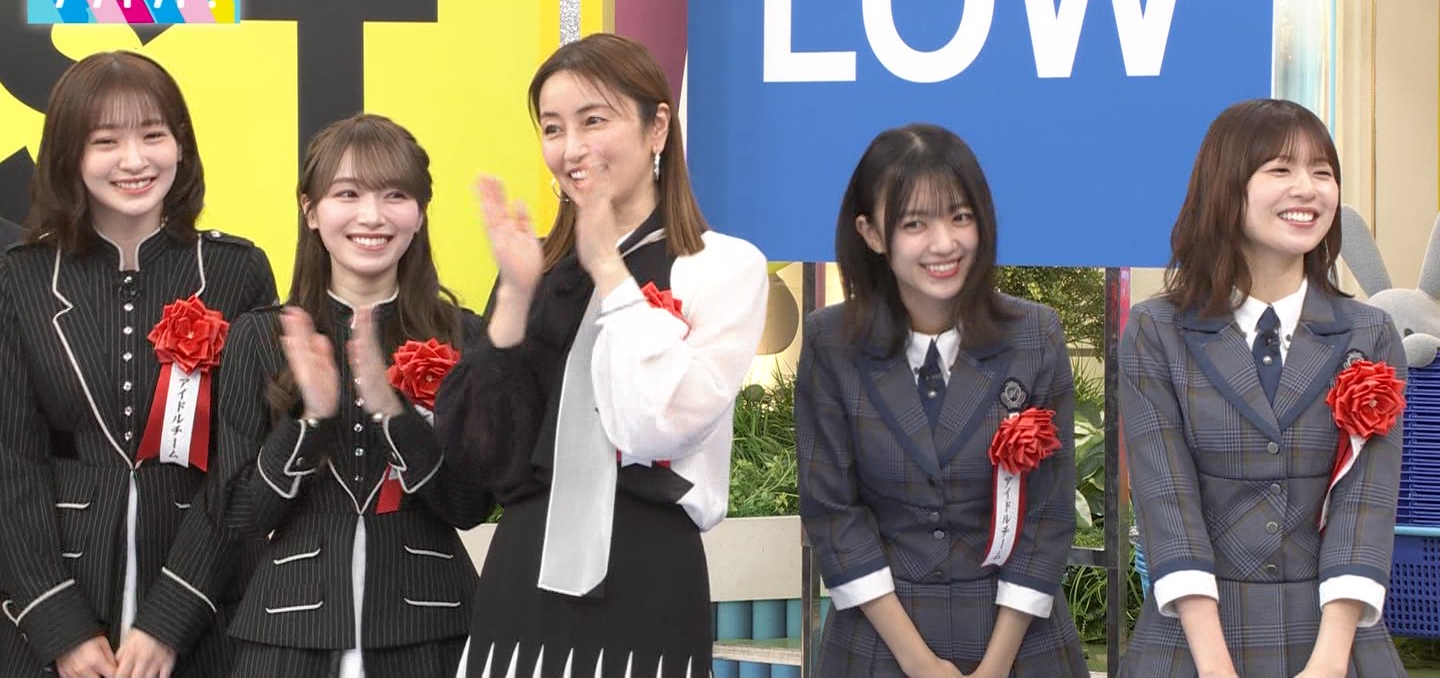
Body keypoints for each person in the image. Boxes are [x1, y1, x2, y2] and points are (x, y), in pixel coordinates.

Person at [434, 33, 767, 678]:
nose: (572, 148)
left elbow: (658, 426)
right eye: (553, 128)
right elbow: (480, 458)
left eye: (594, 120)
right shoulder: (534, 269)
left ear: (657, 127)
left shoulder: (723, 267)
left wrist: (611, 274)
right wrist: (514, 299)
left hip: (648, 570)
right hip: (523, 569)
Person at [0, 50, 278, 678]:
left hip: (208, 608)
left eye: (154, 135)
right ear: (70, 155)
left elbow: (244, 459)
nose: (134, 160)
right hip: (57, 606)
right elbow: (11, 460)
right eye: (106, 141)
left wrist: (172, 618)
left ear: (181, 146)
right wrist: (59, 626)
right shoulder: (22, 277)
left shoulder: (236, 270)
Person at [1119, 98, 1408, 678]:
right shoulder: (1157, 330)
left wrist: (1328, 663)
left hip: (1333, 640)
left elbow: (1364, 506)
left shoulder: (1370, 333)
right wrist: (1215, 667)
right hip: (1191, 643)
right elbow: (1167, 503)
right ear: (1226, 188)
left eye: (1322, 172)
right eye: (1280, 169)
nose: (1308, 189)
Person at [795, 124, 1088, 678]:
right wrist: (921, 663)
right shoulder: (831, 343)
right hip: (879, 645)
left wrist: (995, 666)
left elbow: (1047, 517)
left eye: (960, 217)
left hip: (1021, 644)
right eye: (915, 224)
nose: (944, 244)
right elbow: (834, 513)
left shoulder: (1034, 335)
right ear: (871, 233)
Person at [200, 114, 487, 678]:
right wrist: (308, 419)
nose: (372, 216)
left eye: (395, 195)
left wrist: (394, 415)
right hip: (289, 633)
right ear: (311, 210)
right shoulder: (261, 336)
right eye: (348, 194)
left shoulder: (461, 335)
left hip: (431, 630)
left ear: (421, 212)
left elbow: (469, 506)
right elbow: (239, 515)